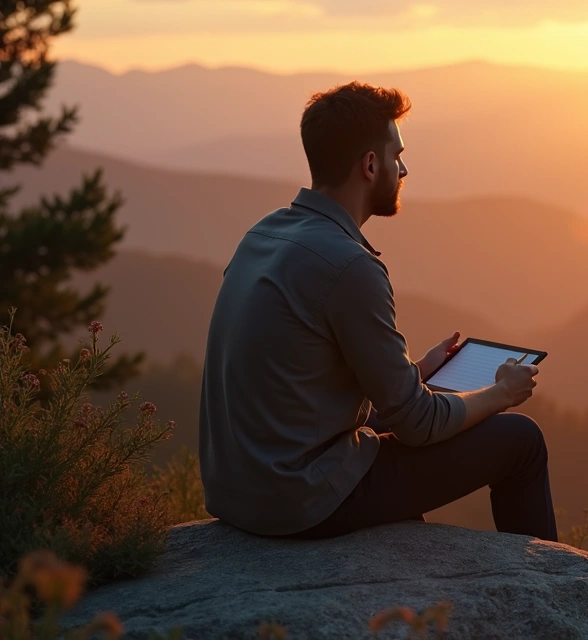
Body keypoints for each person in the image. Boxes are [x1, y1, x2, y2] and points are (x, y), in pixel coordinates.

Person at [199, 82, 557, 542]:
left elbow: (304, 377)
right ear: (370, 165)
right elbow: (419, 424)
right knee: (521, 440)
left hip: (238, 491)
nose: (403, 168)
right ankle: (542, 588)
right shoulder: (349, 265)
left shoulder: (264, 234)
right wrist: (499, 393)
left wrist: (417, 374)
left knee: (398, 415)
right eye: (397, 156)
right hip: (298, 501)